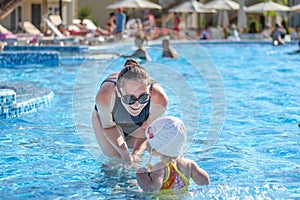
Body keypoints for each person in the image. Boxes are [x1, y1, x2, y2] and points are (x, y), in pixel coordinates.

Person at [92, 59, 168, 164]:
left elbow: (147, 128)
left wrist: (136, 153)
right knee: (115, 161)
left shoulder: (160, 99)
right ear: (118, 92)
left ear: (150, 91)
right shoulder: (105, 95)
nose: (137, 104)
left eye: (143, 97)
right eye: (129, 98)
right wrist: (124, 153)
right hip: (109, 123)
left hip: (140, 125)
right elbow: (108, 126)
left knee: (134, 161)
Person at [136, 116, 210, 193]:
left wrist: (140, 174)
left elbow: (151, 188)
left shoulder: (160, 167)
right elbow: (204, 181)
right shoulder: (189, 164)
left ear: (155, 147)